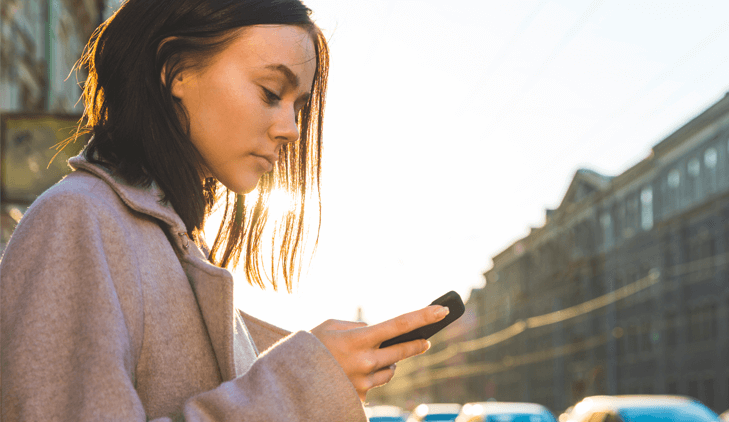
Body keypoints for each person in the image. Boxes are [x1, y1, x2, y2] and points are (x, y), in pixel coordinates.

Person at [0, 0, 450, 420]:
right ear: (176, 70)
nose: (292, 129)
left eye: (299, 105)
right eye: (272, 92)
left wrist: (320, 366)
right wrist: (300, 387)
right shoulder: (77, 219)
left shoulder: (176, 243)